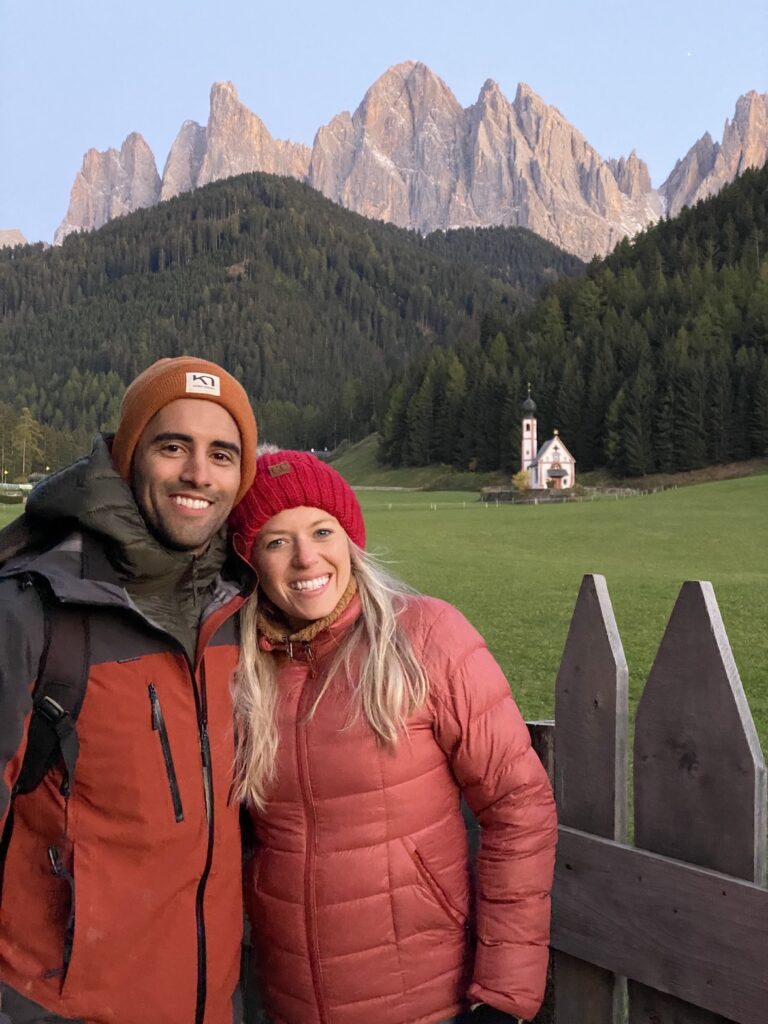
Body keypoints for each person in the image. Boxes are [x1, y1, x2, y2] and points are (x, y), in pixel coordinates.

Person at [229, 450, 558, 1024]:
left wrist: (503, 998)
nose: (307, 557)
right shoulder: (240, 670)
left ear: (349, 539)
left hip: (427, 999)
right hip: (289, 1002)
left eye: (321, 530)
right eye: (276, 541)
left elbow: (518, 806)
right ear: (251, 560)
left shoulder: (426, 636)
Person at [0, 357, 258, 1024]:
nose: (199, 473)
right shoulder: (34, 607)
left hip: (210, 1000)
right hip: (59, 1005)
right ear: (126, 454)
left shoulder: (239, 610)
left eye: (222, 454)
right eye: (173, 446)